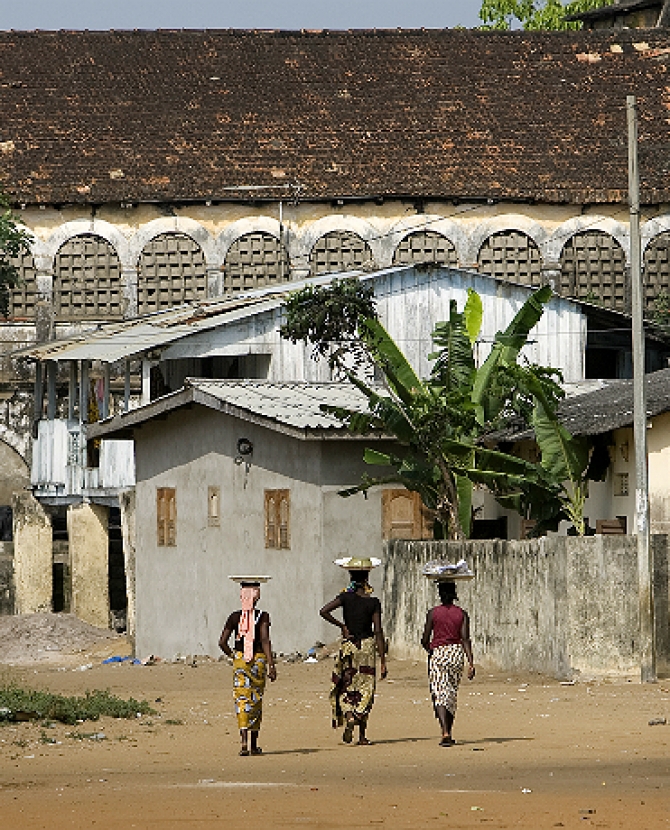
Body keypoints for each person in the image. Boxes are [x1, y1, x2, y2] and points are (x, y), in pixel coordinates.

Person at [320, 556, 387, 746]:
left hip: (349, 646)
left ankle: (349, 715)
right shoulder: (373, 602)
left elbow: (323, 611)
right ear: (367, 577)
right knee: (366, 686)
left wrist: (342, 626)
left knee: (347, 684)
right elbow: (378, 631)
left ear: (350, 576)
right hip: (366, 646)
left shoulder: (345, 598)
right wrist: (383, 659)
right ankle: (362, 733)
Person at [219, 577, 277, 756]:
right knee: (256, 699)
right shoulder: (263, 616)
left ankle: (243, 741)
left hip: (240, 661)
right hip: (258, 661)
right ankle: (253, 744)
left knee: (241, 699)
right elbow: (265, 640)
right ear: (257, 596)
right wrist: (271, 663)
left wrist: (234, 656)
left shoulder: (235, 617)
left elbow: (222, 642)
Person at [421, 579, 475, 747]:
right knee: (451, 693)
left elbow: (425, 638)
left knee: (439, 692)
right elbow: (465, 639)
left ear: (440, 594)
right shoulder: (462, 614)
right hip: (456, 653)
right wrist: (471, 662)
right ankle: (449, 731)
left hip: (439, 653)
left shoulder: (433, 613)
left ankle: (445, 731)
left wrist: (430, 650)